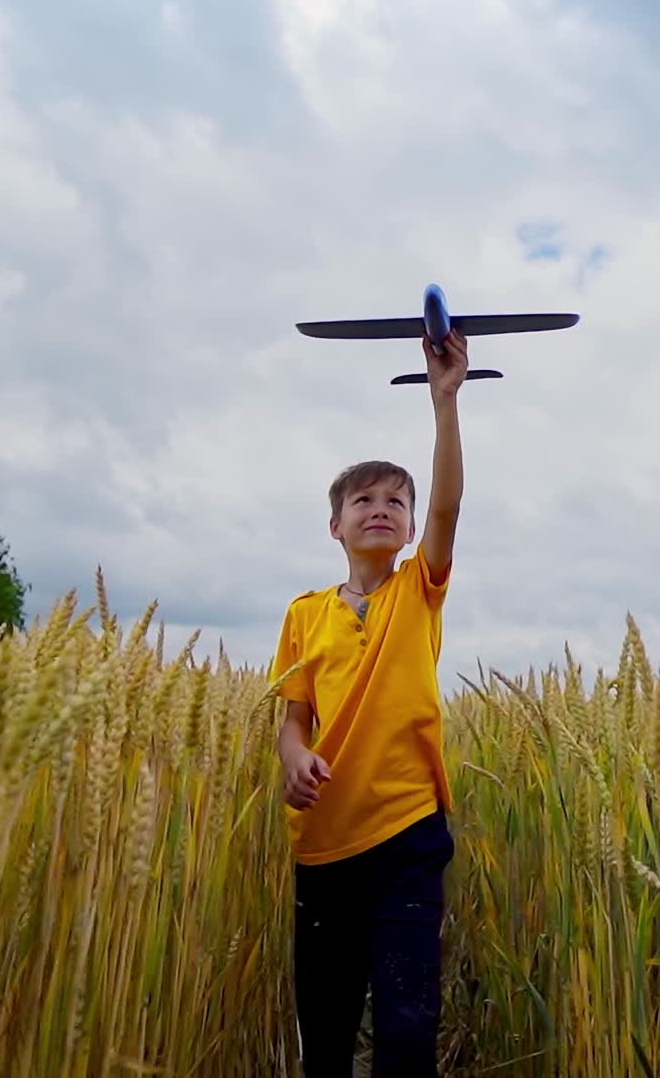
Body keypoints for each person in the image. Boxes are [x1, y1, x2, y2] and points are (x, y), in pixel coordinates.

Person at [270, 329, 469, 1077]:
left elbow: (450, 505)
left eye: (396, 502)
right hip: (323, 841)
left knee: (408, 1028)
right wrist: (294, 760)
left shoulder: (419, 590)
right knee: (323, 1029)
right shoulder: (304, 612)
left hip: (409, 834)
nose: (380, 509)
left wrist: (443, 402)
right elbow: (293, 719)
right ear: (336, 524)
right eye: (363, 500)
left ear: (413, 528)